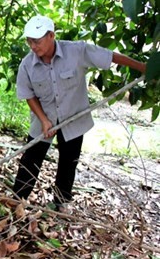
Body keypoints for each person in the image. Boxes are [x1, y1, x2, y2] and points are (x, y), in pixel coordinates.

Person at [13, 15, 146, 210]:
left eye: (37, 41)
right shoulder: (27, 64)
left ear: (51, 35)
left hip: (73, 119)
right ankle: (18, 199)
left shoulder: (77, 51)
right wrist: (43, 120)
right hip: (44, 119)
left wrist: (144, 68)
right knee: (31, 159)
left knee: (68, 161)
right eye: (29, 41)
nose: (33, 46)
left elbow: (110, 56)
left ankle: (60, 203)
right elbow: (28, 95)